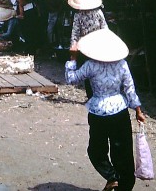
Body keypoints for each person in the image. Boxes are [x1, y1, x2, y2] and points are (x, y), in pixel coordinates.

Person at [65, 28, 145, 191]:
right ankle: (124, 187)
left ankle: (111, 176)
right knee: (123, 152)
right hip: (119, 111)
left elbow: (71, 79)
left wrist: (72, 58)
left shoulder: (91, 65)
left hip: (98, 112)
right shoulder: (122, 64)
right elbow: (130, 88)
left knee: (96, 150)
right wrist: (138, 109)